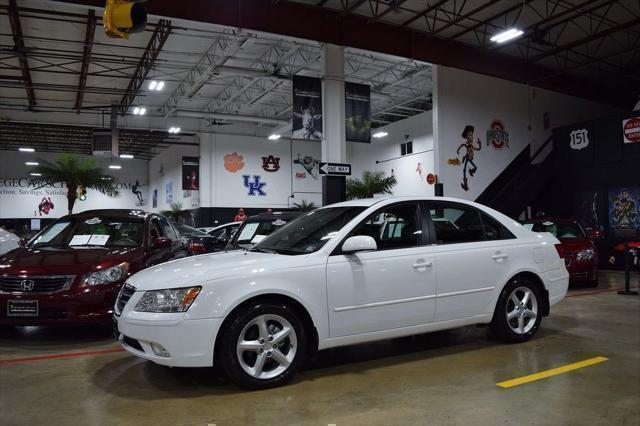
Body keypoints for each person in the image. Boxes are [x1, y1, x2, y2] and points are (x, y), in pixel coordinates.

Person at [456, 125, 482, 191]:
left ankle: (470, 172)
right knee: (466, 169)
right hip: (468, 158)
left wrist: (480, 144)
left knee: (470, 168)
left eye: (471, 135)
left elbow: (478, 149)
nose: (471, 137)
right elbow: (463, 145)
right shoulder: (468, 145)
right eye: (469, 135)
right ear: (467, 137)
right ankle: (465, 185)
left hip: (470, 158)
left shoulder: (471, 145)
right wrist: (458, 149)